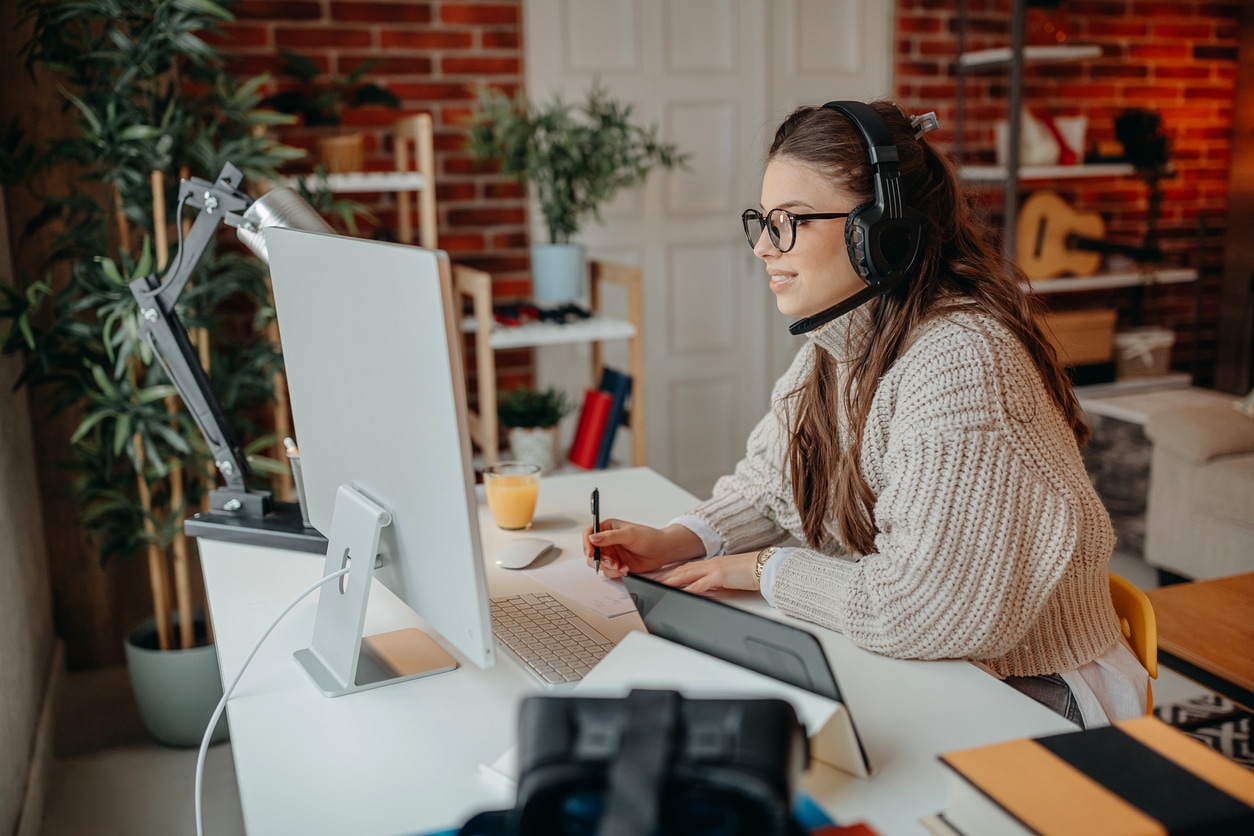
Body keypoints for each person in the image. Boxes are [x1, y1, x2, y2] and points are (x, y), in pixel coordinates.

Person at [582, 100, 1147, 728]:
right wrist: (673, 541)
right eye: (762, 222)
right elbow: (772, 492)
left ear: (883, 231)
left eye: (791, 222)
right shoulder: (835, 350)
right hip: (936, 665)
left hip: (1034, 689)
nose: (764, 248)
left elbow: (926, 608)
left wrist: (765, 569)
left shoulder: (961, 361)